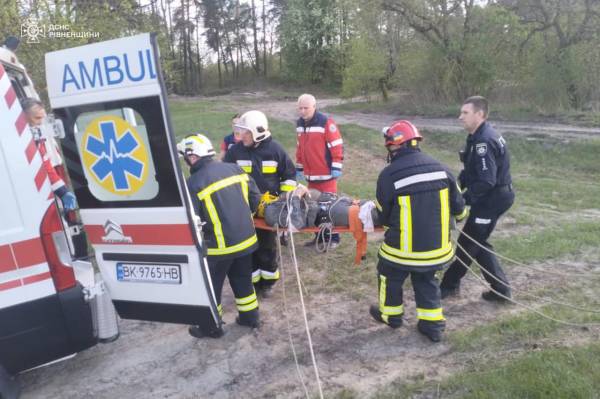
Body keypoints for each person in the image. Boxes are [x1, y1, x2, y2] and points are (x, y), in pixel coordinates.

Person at [371, 120, 467, 342]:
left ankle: (391, 316)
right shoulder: (442, 169)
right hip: (437, 251)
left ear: (394, 146)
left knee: (389, 273)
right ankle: (432, 325)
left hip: (401, 251)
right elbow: (460, 211)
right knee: (427, 278)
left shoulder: (389, 175)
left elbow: (383, 217)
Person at [181, 133, 262, 338]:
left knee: (211, 287)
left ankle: (211, 327)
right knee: (243, 280)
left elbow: (193, 220)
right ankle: (250, 317)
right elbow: (255, 200)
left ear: (192, 157)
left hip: (218, 248)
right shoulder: (235, 169)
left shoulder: (194, 183)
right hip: (247, 240)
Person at [440, 96, 514, 302]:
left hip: (493, 199)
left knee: (468, 242)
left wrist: (462, 200)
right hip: (489, 196)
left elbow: (486, 181)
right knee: (476, 242)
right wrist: (454, 191)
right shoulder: (476, 137)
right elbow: (470, 172)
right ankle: (501, 290)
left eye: (465, 113)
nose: (460, 117)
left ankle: (448, 286)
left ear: (479, 114)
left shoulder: (483, 141)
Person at [223, 110, 296, 297]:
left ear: (257, 132)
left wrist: (283, 201)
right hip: (242, 210)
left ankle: (268, 283)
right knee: (248, 250)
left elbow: (289, 176)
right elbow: (224, 176)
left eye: (245, 132)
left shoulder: (276, 150)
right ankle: (253, 283)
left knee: (267, 248)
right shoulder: (235, 152)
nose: (241, 136)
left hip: (267, 211)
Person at [295, 93, 344, 248]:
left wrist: (336, 166)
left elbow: (336, 145)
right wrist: (300, 166)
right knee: (313, 208)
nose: (303, 111)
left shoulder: (325, 123)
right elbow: (300, 147)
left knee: (329, 207)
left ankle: (333, 239)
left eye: (306, 108)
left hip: (327, 176)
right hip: (311, 177)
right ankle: (320, 237)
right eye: (300, 108)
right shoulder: (299, 124)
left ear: (314, 107)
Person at [22, 98, 77, 211]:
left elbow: (45, 164)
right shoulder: (22, 139)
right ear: (22, 117)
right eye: (37, 118)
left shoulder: (37, 137)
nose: (41, 122)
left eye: (43, 118)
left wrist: (63, 191)